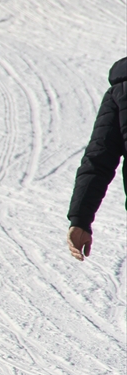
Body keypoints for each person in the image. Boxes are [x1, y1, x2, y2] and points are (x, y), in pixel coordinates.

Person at [66, 58, 127, 262]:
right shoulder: (121, 91)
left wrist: (80, 218)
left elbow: (97, 160)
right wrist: (80, 218)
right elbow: (99, 159)